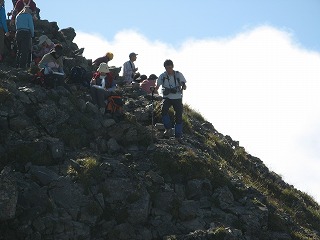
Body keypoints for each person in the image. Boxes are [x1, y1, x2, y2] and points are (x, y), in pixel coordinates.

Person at [155, 59, 187, 139]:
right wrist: (154, 90)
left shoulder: (178, 74)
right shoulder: (162, 76)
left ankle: (178, 135)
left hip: (177, 97)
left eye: (169, 67)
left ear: (172, 66)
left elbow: (184, 84)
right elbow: (157, 86)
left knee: (178, 116)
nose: (168, 70)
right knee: (163, 110)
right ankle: (168, 128)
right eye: (166, 68)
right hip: (167, 97)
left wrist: (183, 86)